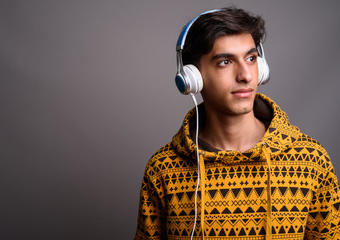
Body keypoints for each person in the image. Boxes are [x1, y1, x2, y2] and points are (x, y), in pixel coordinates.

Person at [134, 7, 340, 240]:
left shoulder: (312, 160)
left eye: (251, 59)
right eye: (225, 62)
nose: (246, 75)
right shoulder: (162, 169)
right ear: (193, 78)